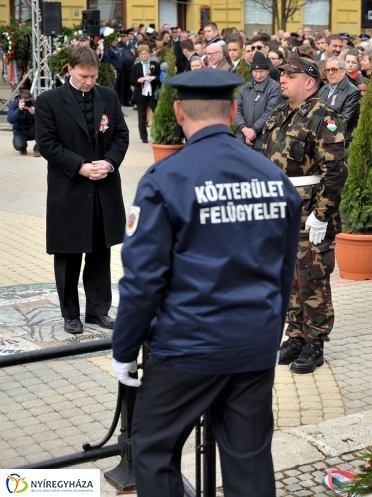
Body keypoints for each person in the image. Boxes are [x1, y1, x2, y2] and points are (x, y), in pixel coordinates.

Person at [111, 68, 301, 497]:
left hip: (186, 346)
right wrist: (268, 335)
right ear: (233, 111)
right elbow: (285, 269)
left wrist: (124, 349)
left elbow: (143, 279)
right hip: (252, 343)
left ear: (179, 112)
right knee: (250, 460)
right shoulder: (273, 177)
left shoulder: (166, 178)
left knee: (153, 450)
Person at [263, 55, 348, 374]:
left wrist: (322, 215)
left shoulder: (324, 117)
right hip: (282, 211)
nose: (282, 79)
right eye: (281, 74)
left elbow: (335, 171)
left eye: (290, 75)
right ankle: (296, 335)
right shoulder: (280, 113)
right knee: (289, 277)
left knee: (311, 277)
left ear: (310, 82)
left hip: (309, 212)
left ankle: (315, 342)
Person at [36, 47, 129, 334]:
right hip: (69, 188)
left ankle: (98, 310)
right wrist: (80, 167)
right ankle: (70, 314)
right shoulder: (49, 101)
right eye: (83, 76)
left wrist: (109, 162)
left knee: (100, 252)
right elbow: (47, 144)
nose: (89, 82)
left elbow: (121, 135)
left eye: (93, 76)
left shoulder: (109, 97)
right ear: (70, 69)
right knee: (69, 254)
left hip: (103, 188)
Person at [234, 52, 281, 151]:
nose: (258, 75)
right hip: (242, 139)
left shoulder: (274, 88)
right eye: (255, 71)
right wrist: (244, 129)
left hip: (263, 141)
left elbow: (271, 112)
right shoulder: (245, 88)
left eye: (261, 71)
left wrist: (253, 131)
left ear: (268, 71)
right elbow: (237, 110)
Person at [319, 56, 361, 144]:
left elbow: (344, 121)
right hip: (320, 139)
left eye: (334, 69)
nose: (330, 73)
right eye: (327, 70)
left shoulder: (352, 92)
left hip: (339, 141)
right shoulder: (323, 89)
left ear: (343, 71)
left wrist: (320, 127)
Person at [131, 45, 161, 144]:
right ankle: (144, 137)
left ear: (149, 54)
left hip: (152, 92)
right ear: (139, 55)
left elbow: (159, 77)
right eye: (142, 54)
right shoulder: (136, 66)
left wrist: (154, 78)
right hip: (141, 93)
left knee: (157, 113)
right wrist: (138, 80)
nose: (144, 56)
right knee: (142, 115)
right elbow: (132, 80)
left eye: (146, 53)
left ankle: (158, 134)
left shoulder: (155, 64)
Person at [8, 89, 37, 156]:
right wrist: (19, 110)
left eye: (27, 100)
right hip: (20, 130)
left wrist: (35, 113)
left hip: (33, 129)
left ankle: (38, 149)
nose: (25, 103)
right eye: (23, 101)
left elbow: (45, 120)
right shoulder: (14, 104)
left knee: (43, 131)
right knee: (18, 145)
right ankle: (23, 147)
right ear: (19, 99)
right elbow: (10, 120)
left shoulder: (34, 103)